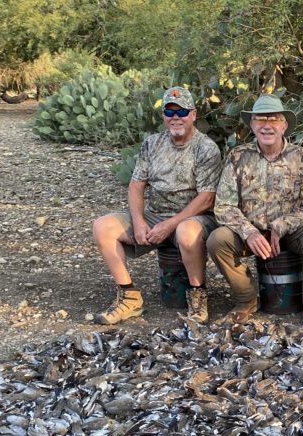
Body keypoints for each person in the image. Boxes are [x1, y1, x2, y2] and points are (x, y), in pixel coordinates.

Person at [92, 86, 223, 324]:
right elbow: (136, 186)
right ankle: (129, 296)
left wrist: (171, 224)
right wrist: (140, 221)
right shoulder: (152, 144)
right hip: (155, 215)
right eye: (169, 111)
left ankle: (197, 294)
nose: (176, 117)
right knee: (103, 226)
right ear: (163, 115)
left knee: (186, 230)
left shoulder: (206, 148)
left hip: (194, 218)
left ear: (193, 114)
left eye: (182, 111)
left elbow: (207, 197)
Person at [208, 94, 303, 322]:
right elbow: (224, 206)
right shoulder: (237, 157)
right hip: (253, 232)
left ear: (284, 125)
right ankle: (246, 298)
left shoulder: (302, 157)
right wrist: (249, 232)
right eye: (260, 120)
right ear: (252, 125)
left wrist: (283, 224)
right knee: (217, 240)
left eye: (273, 119)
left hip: (293, 231)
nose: (267, 126)